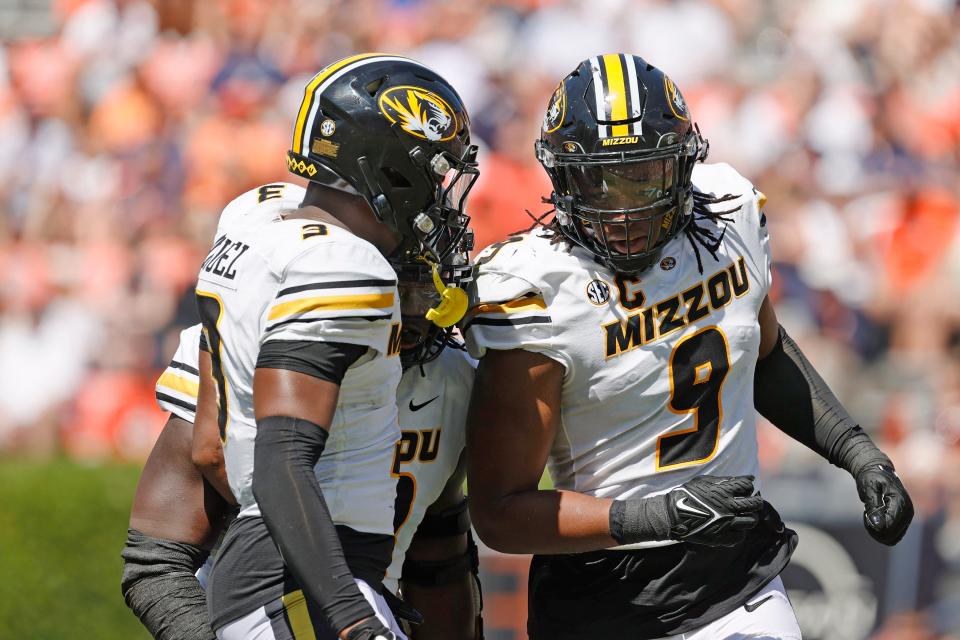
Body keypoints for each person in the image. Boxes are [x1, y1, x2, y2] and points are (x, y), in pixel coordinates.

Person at [463, 53, 913, 639]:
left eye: (642, 174)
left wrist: (857, 452)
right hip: (603, 604)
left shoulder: (729, 216)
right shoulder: (539, 289)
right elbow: (499, 512)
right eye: (594, 178)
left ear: (683, 164)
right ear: (559, 176)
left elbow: (765, 353)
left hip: (736, 582)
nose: (621, 205)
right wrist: (657, 517)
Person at [194, 53, 477, 640]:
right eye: (435, 174)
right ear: (390, 168)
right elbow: (281, 464)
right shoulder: (347, 265)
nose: (442, 199)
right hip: (303, 583)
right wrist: (352, 618)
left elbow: (212, 445)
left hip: (282, 578)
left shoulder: (258, 223)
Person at [121, 250, 481, 640]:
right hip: (246, 618)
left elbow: (437, 556)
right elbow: (156, 563)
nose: (410, 316)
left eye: (426, 292)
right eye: (393, 291)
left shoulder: (455, 378)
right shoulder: (240, 347)